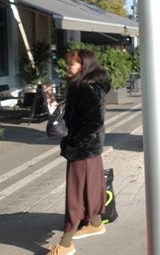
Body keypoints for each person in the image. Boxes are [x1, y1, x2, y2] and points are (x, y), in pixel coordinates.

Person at [48, 49, 111, 255]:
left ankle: (66, 244)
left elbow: (93, 122)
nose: (69, 68)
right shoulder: (85, 85)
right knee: (91, 188)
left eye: (73, 64)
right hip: (89, 149)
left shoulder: (86, 88)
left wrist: (75, 142)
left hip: (83, 150)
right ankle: (95, 222)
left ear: (84, 66)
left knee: (75, 196)